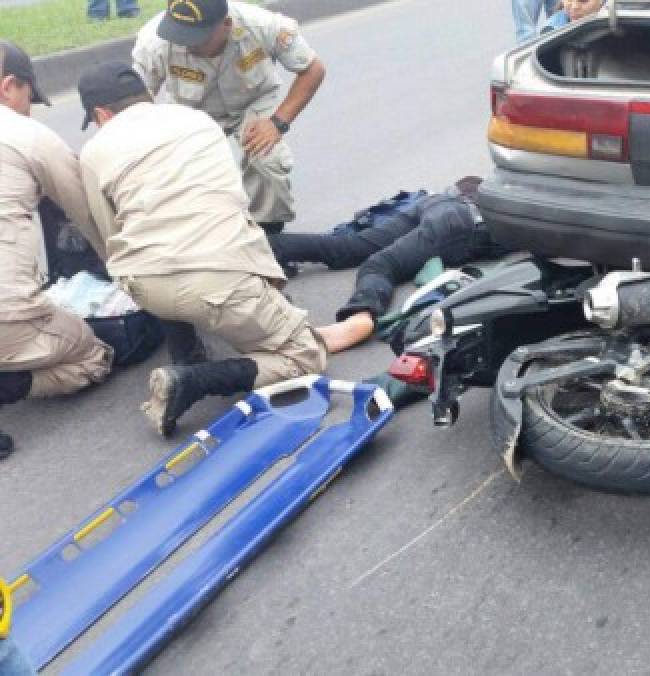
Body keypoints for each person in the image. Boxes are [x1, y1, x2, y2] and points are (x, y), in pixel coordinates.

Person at [76, 62, 326, 437]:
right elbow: (233, 208)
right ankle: (193, 378)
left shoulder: (95, 150)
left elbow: (110, 235)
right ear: (146, 96)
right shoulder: (197, 121)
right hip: (219, 280)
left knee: (151, 247)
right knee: (305, 357)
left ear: (100, 114)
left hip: (146, 283)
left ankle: (185, 349)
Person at [0, 41, 115, 460]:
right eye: (28, 96)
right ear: (9, 85)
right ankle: (9, 384)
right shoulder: (24, 132)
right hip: (5, 317)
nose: (28, 106)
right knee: (93, 357)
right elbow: (88, 214)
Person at [131, 0, 326, 234]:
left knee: (268, 157)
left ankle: (270, 232)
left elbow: (313, 69)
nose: (185, 42)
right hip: (190, 111)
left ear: (226, 24)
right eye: (180, 34)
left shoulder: (262, 25)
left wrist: (277, 123)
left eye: (197, 36)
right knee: (180, 175)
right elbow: (137, 101)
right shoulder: (155, 41)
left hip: (252, 102)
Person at [268, 178, 507, 353]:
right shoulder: (534, 208)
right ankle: (360, 316)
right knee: (380, 266)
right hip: (459, 222)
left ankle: (262, 246)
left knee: (345, 247)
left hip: (438, 201)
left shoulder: (512, 181)